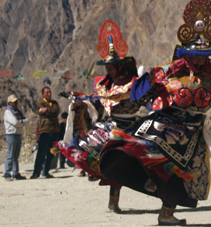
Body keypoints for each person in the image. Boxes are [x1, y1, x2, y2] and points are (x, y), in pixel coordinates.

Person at [97, 0, 211, 226]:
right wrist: (145, 82)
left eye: (205, 54)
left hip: (194, 135)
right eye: (196, 54)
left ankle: (166, 213)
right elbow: (143, 87)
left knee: (184, 176)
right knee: (146, 152)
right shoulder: (171, 72)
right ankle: (146, 179)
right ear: (187, 52)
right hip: (167, 125)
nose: (201, 58)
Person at [55, 20, 151, 213]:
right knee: (99, 153)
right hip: (112, 126)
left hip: (132, 126)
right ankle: (109, 193)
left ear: (121, 65)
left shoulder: (133, 83)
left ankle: (151, 181)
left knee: (148, 153)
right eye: (107, 68)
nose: (109, 71)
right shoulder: (105, 85)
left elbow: (142, 98)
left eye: (112, 67)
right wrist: (82, 103)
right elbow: (99, 104)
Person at [31, 86, 60, 179]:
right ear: (43, 94)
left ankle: (46, 172)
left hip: (54, 131)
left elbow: (56, 110)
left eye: (50, 92)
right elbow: (42, 111)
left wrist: (47, 110)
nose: (49, 94)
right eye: (47, 92)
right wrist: (49, 111)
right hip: (45, 131)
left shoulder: (54, 103)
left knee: (51, 153)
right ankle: (36, 173)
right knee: (41, 153)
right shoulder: (40, 103)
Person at [3, 94, 29, 181]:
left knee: (16, 155)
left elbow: (26, 120)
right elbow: (15, 122)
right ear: (10, 103)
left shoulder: (18, 112)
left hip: (18, 134)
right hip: (11, 134)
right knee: (10, 154)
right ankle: (7, 173)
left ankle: (15, 172)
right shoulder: (8, 112)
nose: (16, 103)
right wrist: (22, 122)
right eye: (14, 102)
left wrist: (21, 122)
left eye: (16, 101)